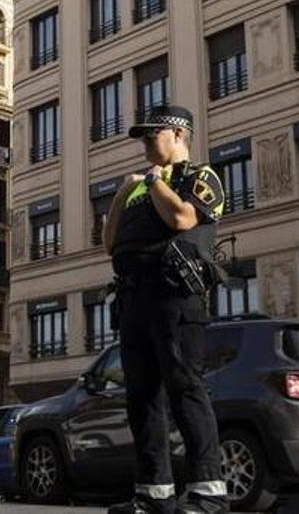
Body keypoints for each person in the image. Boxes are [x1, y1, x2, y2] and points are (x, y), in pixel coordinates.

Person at [103, 105, 228, 514]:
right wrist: (122, 193)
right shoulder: (139, 187)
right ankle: (153, 495)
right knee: (141, 399)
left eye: (151, 134)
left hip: (175, 298)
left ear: (177, 134)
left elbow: (181, 218)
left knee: (185, 389)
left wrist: (155, 180)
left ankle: (208, 493)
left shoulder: (200, 176)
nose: (144, 142)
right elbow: (109, 242)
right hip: (134, 299)